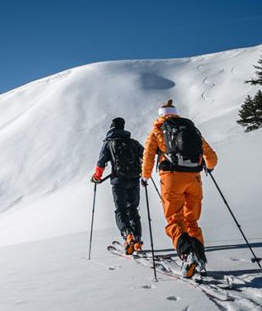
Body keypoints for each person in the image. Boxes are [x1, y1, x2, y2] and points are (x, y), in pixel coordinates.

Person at [141, 99, 218, 277]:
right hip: (194, 178)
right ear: (175, 112)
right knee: (192, 221)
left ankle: (187, 255)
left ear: (160, 115)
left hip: (171, 179)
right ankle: (200, 259)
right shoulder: (191, 128)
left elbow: (148, 157)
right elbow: (210, 155)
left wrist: (145, 177)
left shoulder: (157, 131)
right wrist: (210, 166)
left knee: (174, 220)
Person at [91, 117, 144, 254]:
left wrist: (97, 177)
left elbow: (101, 162)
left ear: (112, 127)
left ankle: (128, 235)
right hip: (134, 179)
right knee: (133, 209)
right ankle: (137, 241)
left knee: (120, 210)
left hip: (118, 181)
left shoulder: (109, 143)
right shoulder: (132, 142)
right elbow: (146, 155)